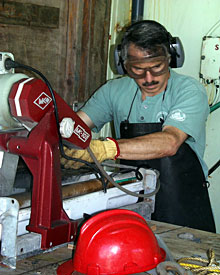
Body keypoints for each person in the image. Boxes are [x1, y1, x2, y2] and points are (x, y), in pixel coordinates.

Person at [61, 20, 216, 232]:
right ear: (122, 64)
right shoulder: (113, 91)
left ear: (171, 57)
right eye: (138, 70)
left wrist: (106, 149)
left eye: (157, 67)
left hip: (184, 213)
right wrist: (67, 145)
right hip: (132, 208)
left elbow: (170, 142)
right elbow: (75, 127)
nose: (149, 78)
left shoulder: (189, 90)